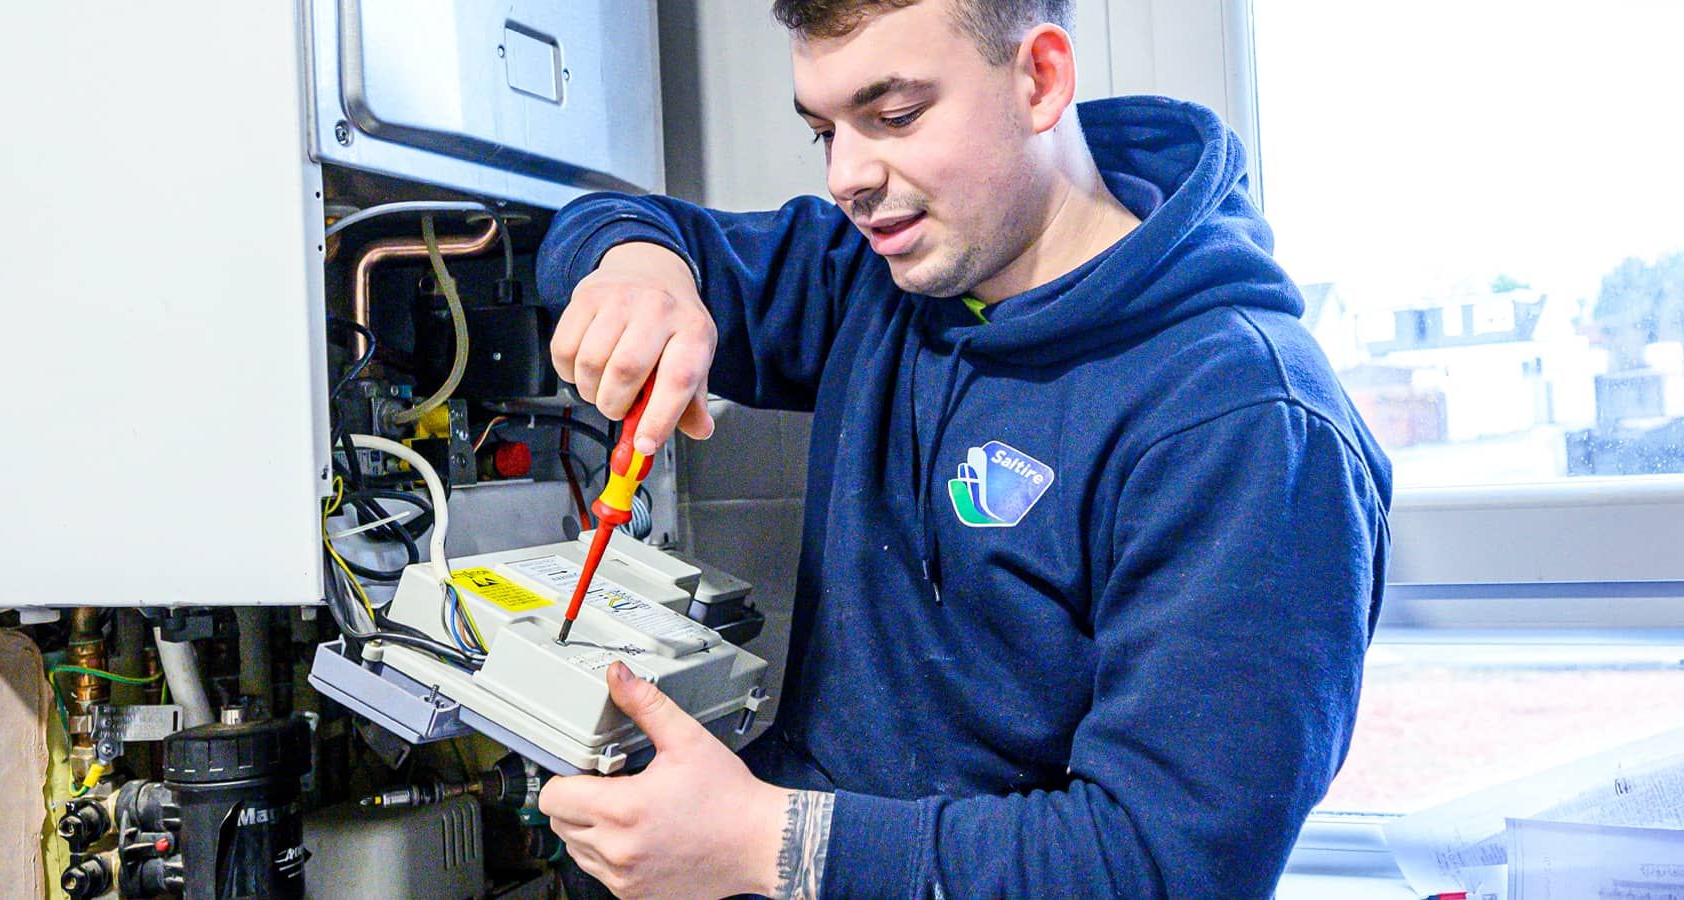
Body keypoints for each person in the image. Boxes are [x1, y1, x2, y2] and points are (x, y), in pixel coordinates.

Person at [531, 0, 1393, 896]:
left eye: (894, 116)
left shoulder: (1246, 423)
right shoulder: (882, 275)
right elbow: (612, 225)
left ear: (1040, 79)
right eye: (824, 130)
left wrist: (767, 840)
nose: (849, 176)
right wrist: (641, 271)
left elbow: (1161, 866)